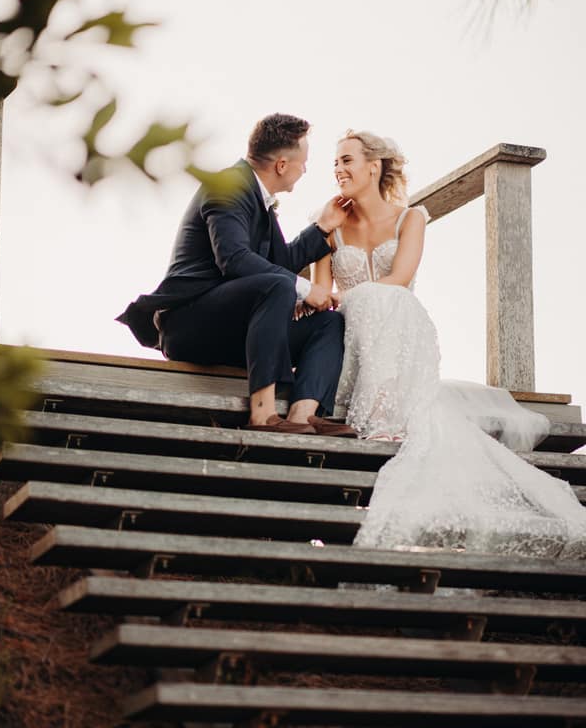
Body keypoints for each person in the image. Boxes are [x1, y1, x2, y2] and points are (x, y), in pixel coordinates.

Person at [314, 129, 586, 558]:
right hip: (350, 337)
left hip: (401, 333)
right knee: (373, 301)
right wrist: (322, 238)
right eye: (335, 163)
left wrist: (344, 296)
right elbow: (320, 294)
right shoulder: (329, 224)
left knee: (389, 298)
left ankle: (388, 413)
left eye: (346, 160)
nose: (338, 170)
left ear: (374, 166)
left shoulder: (412, 218)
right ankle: (378, 414)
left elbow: (400, 279)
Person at [116, 113, 355, 436]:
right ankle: (263, 415)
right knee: (277, 285)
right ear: (282, 165)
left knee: (329, 323)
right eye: (304, 162)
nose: (305, 170)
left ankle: (302, 416)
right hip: (191, 324)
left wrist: (322, 227)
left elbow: (279, 262)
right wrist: (305, 287)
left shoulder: (258, 198)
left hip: (236, 328)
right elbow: (235, 260)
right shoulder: (228, 187)